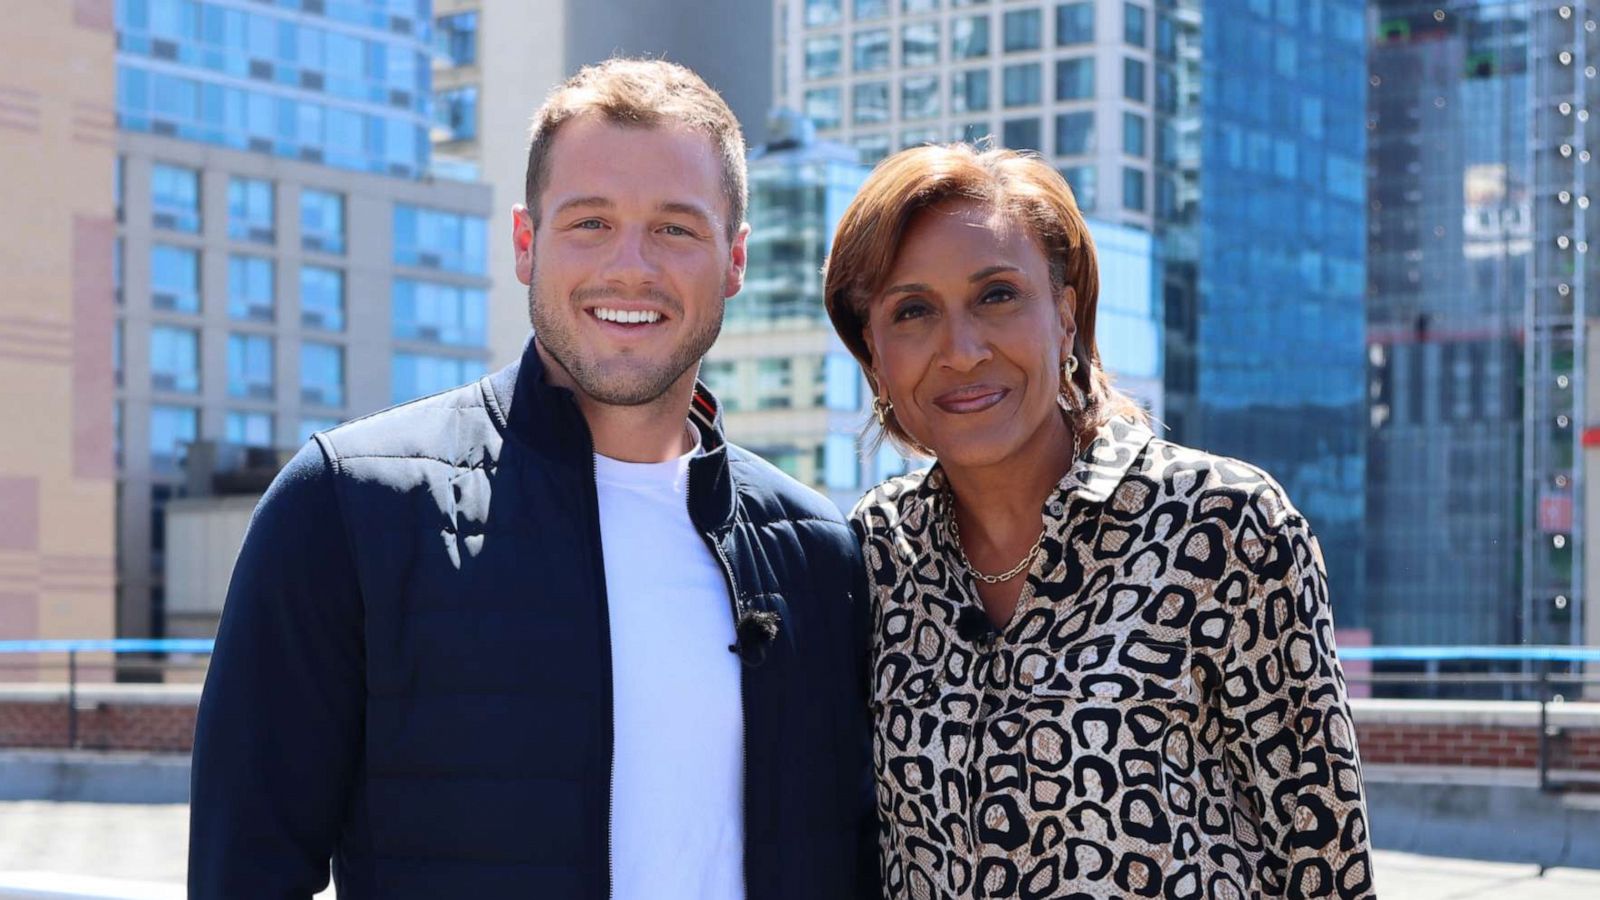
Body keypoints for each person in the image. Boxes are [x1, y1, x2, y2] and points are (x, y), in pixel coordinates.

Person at [190, 59, 874, 900]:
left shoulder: (817, 554)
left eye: (675, 228)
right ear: (526, 242)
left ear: (734, 261)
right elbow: (244, 874)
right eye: (590, 222)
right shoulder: (346, 508)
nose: (630, 267)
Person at [825, 144, 1373, 899]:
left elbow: (1326, 860)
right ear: (874, 355)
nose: (961, 351)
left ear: (1065, 314)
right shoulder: (872, 556)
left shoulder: (1221, 530)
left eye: (996, 296)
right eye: (912, 311)